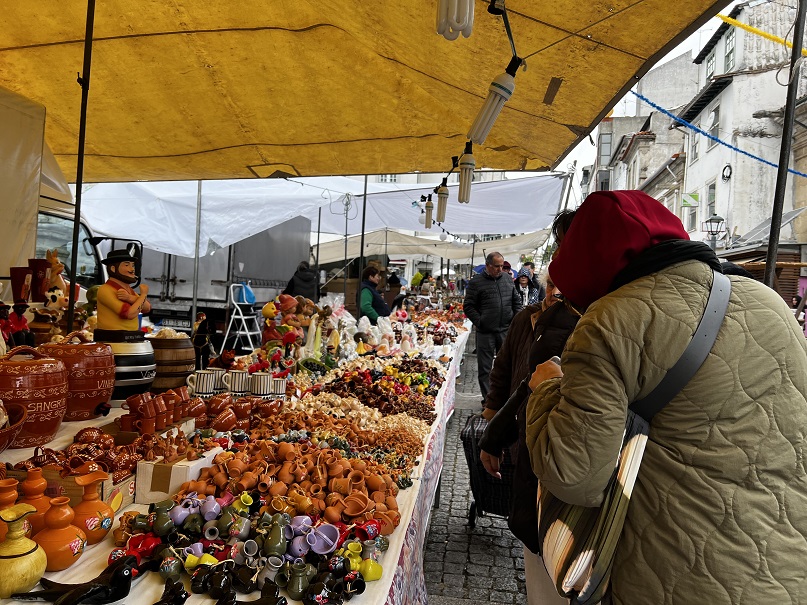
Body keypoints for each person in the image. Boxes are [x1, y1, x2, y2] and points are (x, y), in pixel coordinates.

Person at [524, 190, 807, 605]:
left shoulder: (611, 320)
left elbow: (574, 476)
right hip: (786, 563)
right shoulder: (767, 301)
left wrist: (547, 388)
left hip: (680, 570)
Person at [463, 251, 523, 402]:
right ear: (488, 265)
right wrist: (480, 321)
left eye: (502, 266)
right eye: (496, 266)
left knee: (506, 366)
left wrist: (515, 321)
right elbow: (468, 306)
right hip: (485, 332)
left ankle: (503, 398)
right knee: (485, 368)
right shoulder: (476, 282)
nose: (500, 269)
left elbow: (516, 301)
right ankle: (488, 400)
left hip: (505, 330)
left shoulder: (507, 279)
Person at [96, 248, 150, 334]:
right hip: (113, 338)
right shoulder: (105, 290)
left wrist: (130, 298)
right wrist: (143, 295)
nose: (132, 269)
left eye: (133, 265)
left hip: (130, 337)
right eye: (127, 265)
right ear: (113, 268)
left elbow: (147, 307)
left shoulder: (129, 290)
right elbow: (129, 314)